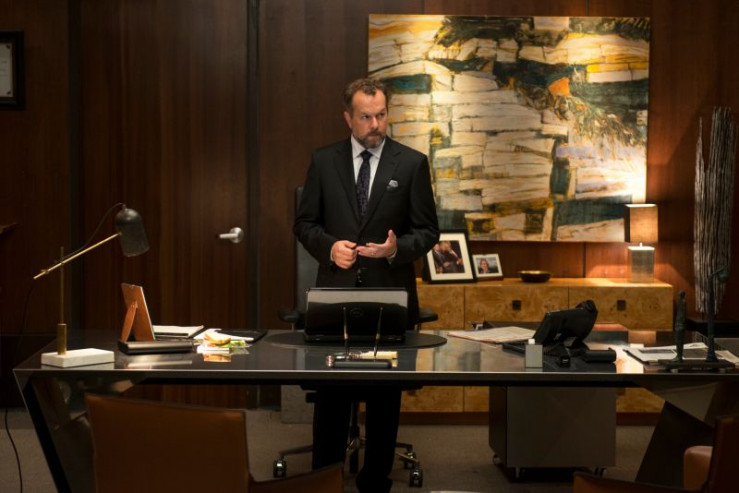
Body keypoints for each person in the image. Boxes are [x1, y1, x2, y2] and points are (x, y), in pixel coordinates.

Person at [294, 77, 439, 492]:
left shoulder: (411, 163)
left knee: (383, 398)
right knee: (332, 399)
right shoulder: (324, 161)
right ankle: (324, 481)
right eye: (365, 117)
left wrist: (396, 249)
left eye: (381, 115)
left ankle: (375, 482)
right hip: (335, 295)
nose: (375, 124)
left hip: (388, 296)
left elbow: (428, 231)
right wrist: (328, 247)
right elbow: (304, 223)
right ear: (348, 118)